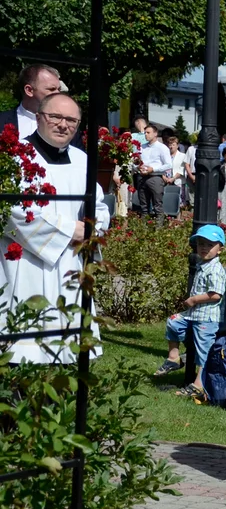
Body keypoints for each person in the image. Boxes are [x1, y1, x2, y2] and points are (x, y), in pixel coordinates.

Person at [0, 93, 110, 364]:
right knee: (26, 347)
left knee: (70, 347)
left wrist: (93, 227)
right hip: (28, 264)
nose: (64, 124)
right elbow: (14, 210)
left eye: (71, 119)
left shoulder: (82, 160)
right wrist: (70, 230)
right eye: (56, 117)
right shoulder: (16, 158)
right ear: (39, 118)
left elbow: (100, 206)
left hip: (71, 263)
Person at [153, 225, 226, 399]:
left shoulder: (215, 269)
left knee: (203, 351)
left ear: (220, 249)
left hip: (206, 318)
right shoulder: (202, 265)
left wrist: (193, 300)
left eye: (209, 245)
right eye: (201, 244)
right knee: (173, 321)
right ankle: (174, 358)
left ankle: (199, 385)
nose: (204, 248)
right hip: (193, 315)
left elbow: (216, 295)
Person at [0, 64, 62, 139]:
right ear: (29, 90)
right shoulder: (2, 121)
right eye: (52, 89)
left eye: (59, 89)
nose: (58, 94)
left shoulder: (66, 125)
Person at [135, 124, 172, 217]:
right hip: (142, 177)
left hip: (155, 177)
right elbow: (134, 162)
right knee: (144, 207)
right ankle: (143, 229)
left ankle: (158, 230)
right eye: (145, 133)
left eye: (148, 133)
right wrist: (137, 167)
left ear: (155, 134)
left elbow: (168, 164)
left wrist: (153, 169)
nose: (146, 135)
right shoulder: (142, 147)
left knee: (157, 206)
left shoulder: (162, 148)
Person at [166, 133, 187, 206]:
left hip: (178, 181)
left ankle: (178, 216)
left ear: (177, 146)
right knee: (168, 200)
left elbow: (182, 170)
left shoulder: (182, 156)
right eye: (170, 145)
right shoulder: (166, 156)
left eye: (173, 145)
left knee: (179, 201)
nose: (171, 147)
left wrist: (173, 178)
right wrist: (165, 178)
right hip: (167, 181)